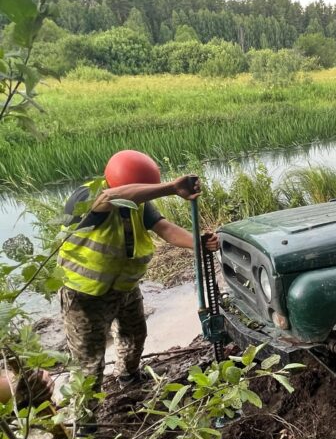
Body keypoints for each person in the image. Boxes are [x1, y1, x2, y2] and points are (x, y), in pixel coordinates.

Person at [58, 149, 219, 415]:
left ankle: (128, 377)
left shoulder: (138, 204)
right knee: (89, 365)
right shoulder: (88, 196)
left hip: (124, 288)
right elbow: (111, 197)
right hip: (85, 296)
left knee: (134, 337)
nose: (144, 194)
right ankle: (85, 426)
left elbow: (165, 229)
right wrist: (170, 188)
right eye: (141, 188)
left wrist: (199, 242)